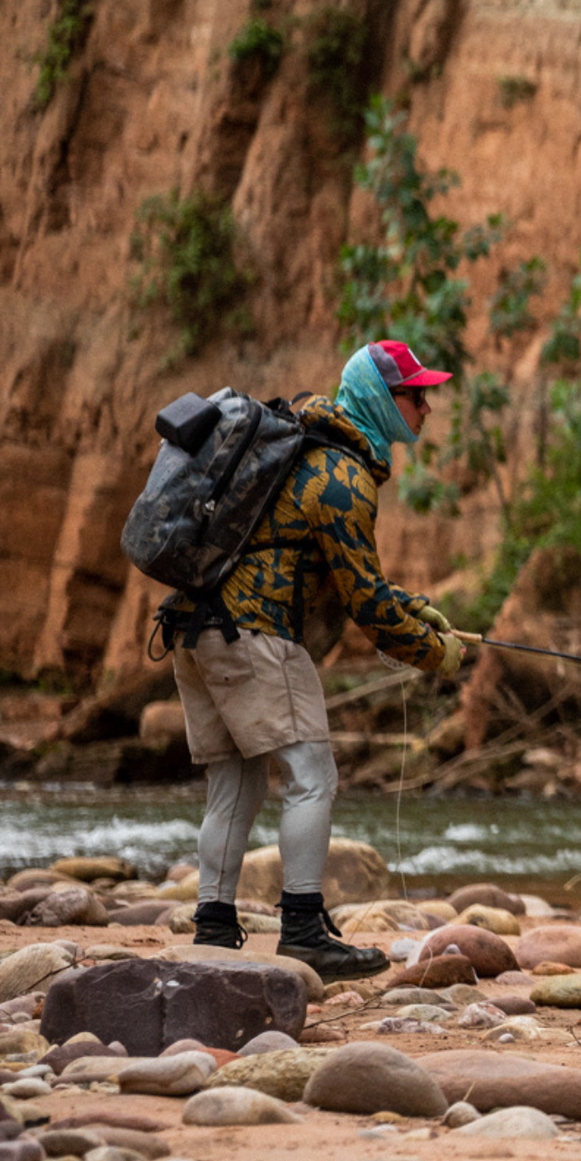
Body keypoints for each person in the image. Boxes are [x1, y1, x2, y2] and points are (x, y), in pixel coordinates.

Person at [155, 340, 469, 981]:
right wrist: (436, 654)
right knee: (312, 776)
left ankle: (213, 930)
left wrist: (416, 609)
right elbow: (365, 603)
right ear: (383, 400)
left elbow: (341, 572)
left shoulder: (304, 448)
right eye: (416, 395)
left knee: (234, 785)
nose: (428, 407)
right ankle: (302, 928)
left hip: (194, 629)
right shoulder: (342, 475)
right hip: (255, 633)